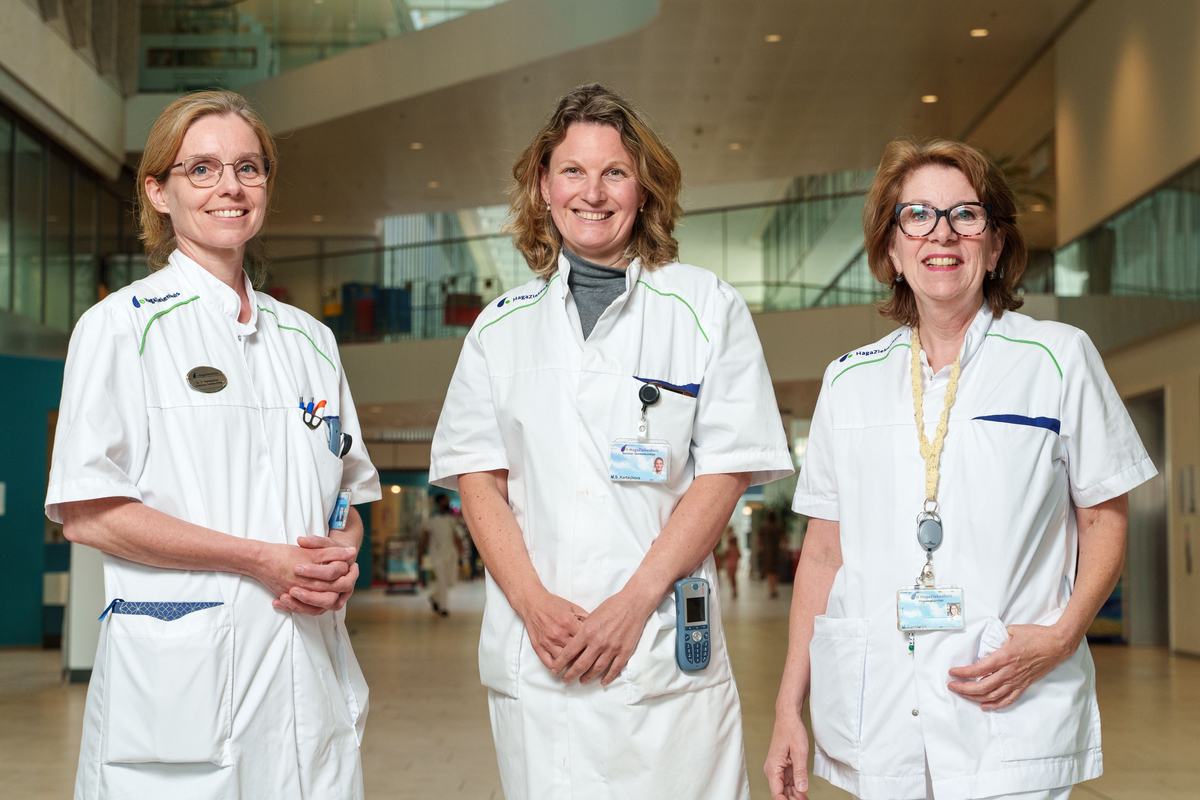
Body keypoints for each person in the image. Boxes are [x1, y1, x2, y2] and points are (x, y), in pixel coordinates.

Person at [430, 84, 793, 800]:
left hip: (659, 651)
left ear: (644, 187)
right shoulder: (500, 327)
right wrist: (533, 603)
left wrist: (632, 604)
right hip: (540, 659)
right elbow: (479, 479)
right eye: (572, 171)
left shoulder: (705, 307)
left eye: (614, 172)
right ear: (543, 184)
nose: (592, 193)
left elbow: (721, 476)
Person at [764, 139, 1156, 800]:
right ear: (890, 248)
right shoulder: (848, 381)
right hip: (881, 708)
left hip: (1009, 705)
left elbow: (1102, 518)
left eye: (965, 216)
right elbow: (824, 556)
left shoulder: (1057, 358)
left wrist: (1062, 636)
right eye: (916, 216)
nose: (941, 234)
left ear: (996, 244)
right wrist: (785, 712)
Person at [45, 90, 381, 800]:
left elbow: (347, 498)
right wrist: (262, 560)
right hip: (182, 693)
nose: (230, 186)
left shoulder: (310, 340)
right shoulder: (119, 328)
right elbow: (87, 513)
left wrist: (339, 554)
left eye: (248, 168)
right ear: (158, 191)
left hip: (306, 676)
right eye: (201, 169)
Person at [424, 494, 461, 615]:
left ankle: (434, 597)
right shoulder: (432, 520)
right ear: (439, 503)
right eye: (445, 501)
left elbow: (456, 537)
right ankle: (443, 608)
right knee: (442, 580)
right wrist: (420, 555)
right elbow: (424, 538)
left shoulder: (451, 520)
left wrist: (460, 553)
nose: (447, 503)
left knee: (450, 581)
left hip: (451, 554)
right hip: (437, 554)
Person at [759, 508, 785, 598]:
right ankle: (775, 588)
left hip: (767, 552)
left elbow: (759, 540)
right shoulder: (778, 527)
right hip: (776, 551)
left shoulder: (764, 527)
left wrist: (758, 549)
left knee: (769, 571)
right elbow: (783, 539)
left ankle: (771, 588)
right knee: (775, 570)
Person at [723, 526, 742, 599]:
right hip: (735, 564)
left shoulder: (729, 549)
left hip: (730, 565)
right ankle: (735, 589)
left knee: (731, 578)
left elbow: (726, 556)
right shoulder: (736, 549)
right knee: (734, 577)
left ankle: (733, 589)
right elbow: (740, 555)